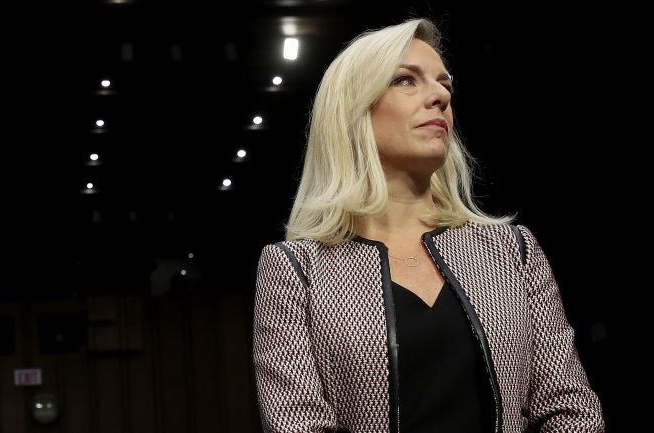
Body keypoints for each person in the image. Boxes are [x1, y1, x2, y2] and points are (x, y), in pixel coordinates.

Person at [251, 17, 604, 433]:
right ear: (354, 108)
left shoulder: (513, 250)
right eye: (406, 80)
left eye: (444, 83)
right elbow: (298, 425)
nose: (440, 95)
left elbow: (571, 410)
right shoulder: (296, 269)